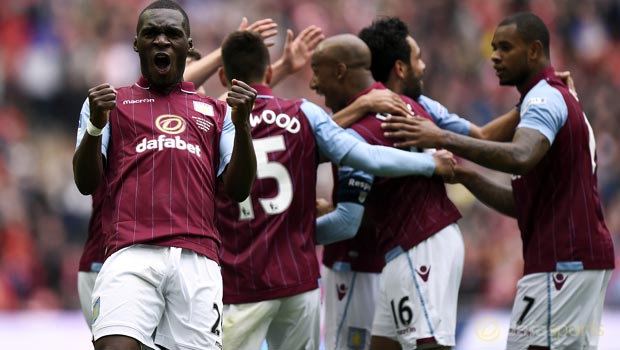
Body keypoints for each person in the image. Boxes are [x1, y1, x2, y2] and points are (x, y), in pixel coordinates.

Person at [382, 12, 615, 350]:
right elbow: (523, 205)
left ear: (534, 50)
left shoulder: (543, 99)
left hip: (563, 262)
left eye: (506, 48)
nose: (494, 56)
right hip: (577, 260)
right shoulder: (546, 99)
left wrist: (442, 138)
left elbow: (520, 155)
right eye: (494, 48)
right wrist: (465, 175)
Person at [214, 30, 456, 350]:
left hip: (241, 281)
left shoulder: (213, 120)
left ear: (222, 75)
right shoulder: (305, 113)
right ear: (270, 71)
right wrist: (432, 165)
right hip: (298, 282)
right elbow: (367, 155)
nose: (313, 83)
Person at [72, 1, 258, 350]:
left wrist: (245, 125)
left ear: (187, 45)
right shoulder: (111, 103)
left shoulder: (219, 112)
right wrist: (96, 126)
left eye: (172, 34)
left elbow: (238, 190)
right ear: (136, 43)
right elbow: (86, 184)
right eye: (151, 33)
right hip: (130, 252)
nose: (161, 40)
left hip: (198, 259)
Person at [310, 34, 465, 350]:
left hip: (416, 246)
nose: (313, 83)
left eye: (318, 71)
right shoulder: (407, 104)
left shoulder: (360, 131)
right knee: (383, 344)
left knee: (428, 345)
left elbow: (346, 221)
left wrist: (285, 233)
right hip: (404, 249)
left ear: (340, 71)